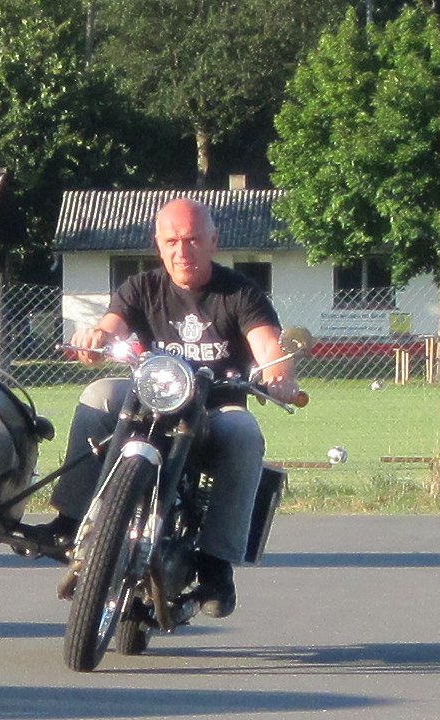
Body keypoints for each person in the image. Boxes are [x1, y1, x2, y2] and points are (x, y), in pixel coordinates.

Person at [33, 197, 300, 618]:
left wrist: (279, 373)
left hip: (214, 410)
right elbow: (110, 327)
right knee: (99, 394)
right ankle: (69, 519)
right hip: (149, 404)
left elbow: (268, 345)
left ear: (213, 241)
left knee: (245, 434)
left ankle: (216, 565)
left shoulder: (240, 293)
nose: (183, 250)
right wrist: (95, 339)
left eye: (193, 240)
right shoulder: (141, 288)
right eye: (172, 240)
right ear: (158, 244)